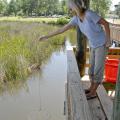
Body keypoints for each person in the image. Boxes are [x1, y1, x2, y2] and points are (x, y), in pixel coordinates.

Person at [39, 0, 111, 100]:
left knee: (98, 69)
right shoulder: (76, 19)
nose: (69, 8)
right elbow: (61, 29)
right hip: (93, 45)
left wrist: (108, 40)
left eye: (70, 5)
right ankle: (91, 88)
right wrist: (46, 36)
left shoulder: (89, 14)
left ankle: (93, 93)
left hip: (102, 44)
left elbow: (106, 24)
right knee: (92, 69)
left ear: (76, 5)